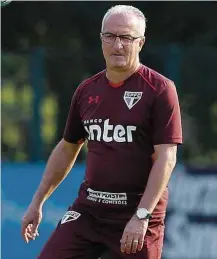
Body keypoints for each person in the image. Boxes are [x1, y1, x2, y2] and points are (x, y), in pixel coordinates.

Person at [21, 4, 183, 259]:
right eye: (110, 36)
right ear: (101, 39)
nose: (117, 45)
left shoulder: (160, 89)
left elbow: (167, 158)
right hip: (89, 211)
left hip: (136, 213)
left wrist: (142, 216)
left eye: (126, 37)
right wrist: (37, 202)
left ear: (141, 42)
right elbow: (67, 147)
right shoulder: (86, 91)